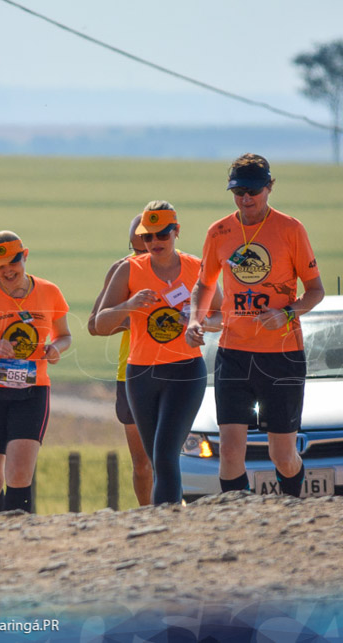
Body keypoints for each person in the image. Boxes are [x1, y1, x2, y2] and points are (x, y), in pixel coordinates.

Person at [186, 154, 325, 498]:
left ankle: (290, 504)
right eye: (238, 191)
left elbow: (316, 291)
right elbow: (204, 285)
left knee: (282, 454)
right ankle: (239, 518)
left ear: (269, 187)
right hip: (234, 354)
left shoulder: (291, 229)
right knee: (231, 451)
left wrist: (287, 313)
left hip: (282, 355)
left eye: (253, 191)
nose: (246, 199)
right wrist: (194, 319)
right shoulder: (219, 232)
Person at [95, 202, 221, 504]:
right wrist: (128, 305)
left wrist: (199, 321)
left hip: (185, 371)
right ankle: (171, 524)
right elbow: (99, 323)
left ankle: (168, 525)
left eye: (162, 235)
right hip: (141, 375)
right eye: (148, 237)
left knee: (165, 455)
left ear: (176, 232)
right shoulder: (128, 270)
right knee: (155, 460)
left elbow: (222, 315)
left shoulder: (196, 268)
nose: (154, 243)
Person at [0, 232, 71, 515]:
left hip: (33, 391)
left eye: (12, 263)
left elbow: (65, 336)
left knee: (19, 474)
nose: (7, 271)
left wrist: (57, 349)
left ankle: (20, 534)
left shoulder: (50, 292)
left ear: (25, 256)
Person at [87, 215, 153, 506]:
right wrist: (132, 316)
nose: (141, 256)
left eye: (147, 249)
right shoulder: (121, 269)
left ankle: (174, 513)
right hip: (132, 373)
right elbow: (94, 324)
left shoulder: (182, 268)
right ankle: (149, 514)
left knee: (173, 456)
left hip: (177, 371)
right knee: (142, 463)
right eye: (136, 249)